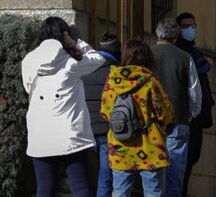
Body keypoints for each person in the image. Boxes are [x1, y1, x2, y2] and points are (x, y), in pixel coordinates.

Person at [22, 17, 105, 197]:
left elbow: (28, 88)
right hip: (71, 134)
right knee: (80, 185)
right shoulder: (71, 62)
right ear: (64, 34)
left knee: (44, 188)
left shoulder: (28, 60)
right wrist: (75, 43)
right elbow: (98, 59)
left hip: (41, 133)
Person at [101, 39, 174, 197]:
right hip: (150, 146)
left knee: (119, 192)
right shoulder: (150, 81)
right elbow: (164, 114)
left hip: (120, 145)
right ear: (148, 57)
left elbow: (106, 112)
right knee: (153, 192)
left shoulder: (112, 81)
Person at [152, 18, 202, 197]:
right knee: (175, 170)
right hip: (179, 117)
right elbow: (194, 91)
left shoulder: (147, 55)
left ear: (157, 33)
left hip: (151, 119)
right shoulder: (185, 57)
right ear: (176, 35)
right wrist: (192, 114)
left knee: (153, 171)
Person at [175, 13, 215, 196]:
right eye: (185, 26)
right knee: (185, 157)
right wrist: (206, 63)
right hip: (187, 114)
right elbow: (191, 72)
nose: (190, 29)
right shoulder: (181, 52)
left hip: (196, 114)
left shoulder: (192, 50)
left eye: (193, 25)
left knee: (191, 157)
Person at [83, 33, 121, 197]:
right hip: (107, 133)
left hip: (85, 132)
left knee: (84, 179)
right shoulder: (117, 73)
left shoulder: (84, 70)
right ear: (117, 51)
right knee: (106, 178)